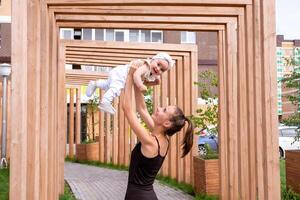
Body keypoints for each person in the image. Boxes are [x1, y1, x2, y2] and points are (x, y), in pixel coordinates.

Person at [122, 66, 194, 200]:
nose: (159, 108)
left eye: (164, 110)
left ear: (166, 123)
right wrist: (138, 81)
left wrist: (130, 75)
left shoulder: (150, 142)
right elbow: (142, 109)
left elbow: (127, 109)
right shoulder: (161, 139)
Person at [86, 52, 175, 115]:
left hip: (118, 74)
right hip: (121, 74)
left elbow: (144, 82)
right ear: (153, 59)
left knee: (107, 86)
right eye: (158, 64)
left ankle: (95, 84)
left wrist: (154, 83)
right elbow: (136, 75)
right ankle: (105, 102)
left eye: (162, 70)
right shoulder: (146, 66)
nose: (158, 69)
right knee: (116, 89)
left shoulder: (149, 73)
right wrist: (140, 86)